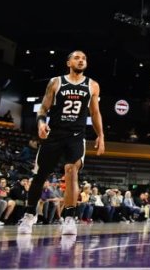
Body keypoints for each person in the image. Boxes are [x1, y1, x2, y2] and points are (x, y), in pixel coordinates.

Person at [18, 50, 105, 237]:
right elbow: (43, 107)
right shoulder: (56, 82)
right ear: (68, 62)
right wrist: (41, 122)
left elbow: (95, 113)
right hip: (54, 134)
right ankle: (29, 214)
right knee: (40, 174)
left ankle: (69, 217)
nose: (81, 60)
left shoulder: (92, 85)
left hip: (76, 135)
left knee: (71, 171)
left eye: (84, 58)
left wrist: (101, 135)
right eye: (77, 57)